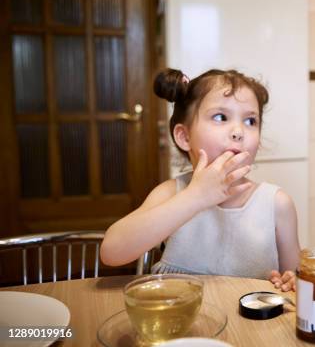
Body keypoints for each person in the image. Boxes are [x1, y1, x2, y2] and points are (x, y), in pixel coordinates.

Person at [101, 68, 300, 291]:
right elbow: (111, 251)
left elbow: (294, 278)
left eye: (250, 121)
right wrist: (195, 197)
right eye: (220, 117)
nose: (238, 132)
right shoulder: (172, 193)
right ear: (184, 137)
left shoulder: (277, 204)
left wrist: (292, 281)